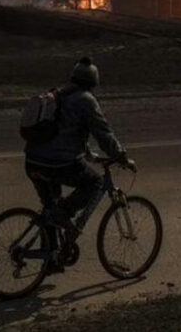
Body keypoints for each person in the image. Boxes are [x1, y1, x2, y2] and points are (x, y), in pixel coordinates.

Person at [24, 57, 133, 247]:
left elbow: (69, 133)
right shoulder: (86, 100)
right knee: (96, 183)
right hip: (57, 164)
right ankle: (63, 215)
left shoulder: (57, 94)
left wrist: (90, 155)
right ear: (93, 82)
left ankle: (50, 258)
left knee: (50, 208)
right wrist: (121, 156)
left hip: (33, 160)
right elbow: (103, 132)